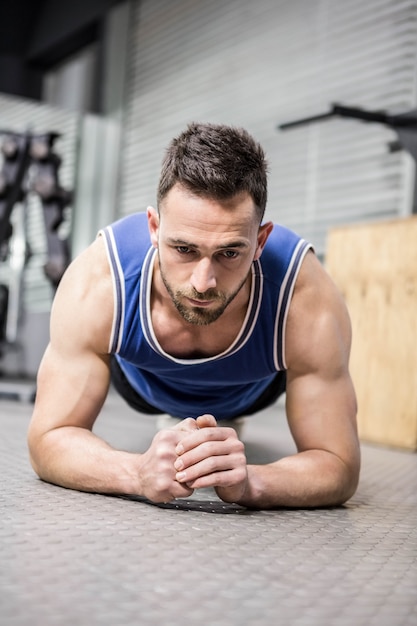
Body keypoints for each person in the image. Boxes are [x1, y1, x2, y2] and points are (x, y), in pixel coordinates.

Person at [28, 122, 360, 509]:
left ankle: (220, 424)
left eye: (230, 253)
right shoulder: (102, 280)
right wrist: (137, 472)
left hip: (250, 391)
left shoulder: (303, 294)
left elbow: (338, 464)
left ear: (261, 241)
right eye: (184, 249)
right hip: (145, 383)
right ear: (154, 228)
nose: (203, 282)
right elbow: (48, 438)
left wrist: (251, 481)